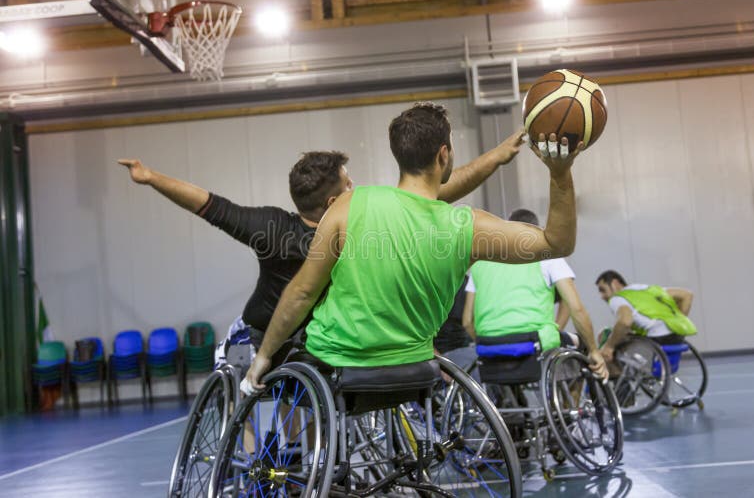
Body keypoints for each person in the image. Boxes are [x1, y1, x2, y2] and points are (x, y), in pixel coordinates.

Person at [242, 102, 587, 393]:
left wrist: (263, 357)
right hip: (414, 368)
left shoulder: (349, 205)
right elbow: (557, 242)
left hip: (337, 365)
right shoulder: (468, 226)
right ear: (444, 154)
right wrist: (560, 173)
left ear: (398, 154)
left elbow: (301, 292)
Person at [119, 130, 525, 369]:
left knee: (313, 404)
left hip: (318, 339)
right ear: (334, 202)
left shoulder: (354, 217)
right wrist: (152, 177)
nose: (356, 187)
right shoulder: (281, 229)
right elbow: (207, 203)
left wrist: (496, 158)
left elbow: (438, 191)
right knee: (251, 388)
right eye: (349, 184)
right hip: (263, 332)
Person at [462, 208, 608, 380]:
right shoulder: (547, 256)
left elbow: (467, 321)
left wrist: (491, 340)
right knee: (582, 344)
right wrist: (593, 350)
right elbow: (576, 308)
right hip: (535, 342)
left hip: (488, 345)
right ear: (538, 231)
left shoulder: (481, 263)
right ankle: (574, 403)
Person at [594, 270, 697, 366]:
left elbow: (625, 322)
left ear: (615, 283)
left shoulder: (616, 299)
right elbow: (687, 295)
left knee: (606, 335)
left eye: (603, 290)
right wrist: (677, 320)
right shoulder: (646, 289)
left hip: (656, 339)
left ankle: (619, 376)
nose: (602, 296)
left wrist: (609, 347)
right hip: (677, 336)